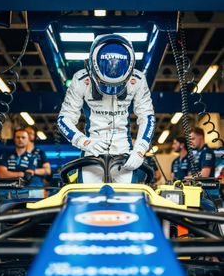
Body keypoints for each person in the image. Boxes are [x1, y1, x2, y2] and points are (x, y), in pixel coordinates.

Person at [58, 34, 155, 183]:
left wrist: (140, 149)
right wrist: (84, 142)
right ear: (91, 68)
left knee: (128, 202)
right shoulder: (80, 80)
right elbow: (64, 119)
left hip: (124, 150)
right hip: (92, 149)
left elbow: (147, 117)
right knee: (86, 201)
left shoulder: (138, 80)